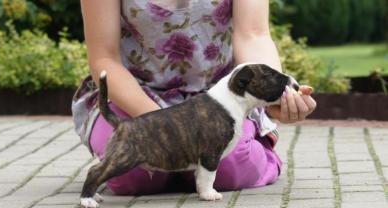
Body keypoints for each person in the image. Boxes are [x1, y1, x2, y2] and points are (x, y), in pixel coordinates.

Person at [72, 0, 316, 195]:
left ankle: (257, 155)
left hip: (218, 99)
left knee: (227, 169)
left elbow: (253, 34)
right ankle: (184, 171)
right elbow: (104, 58)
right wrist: (162, 126)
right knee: (130, 177)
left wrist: (275, 97)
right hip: (135, 94)